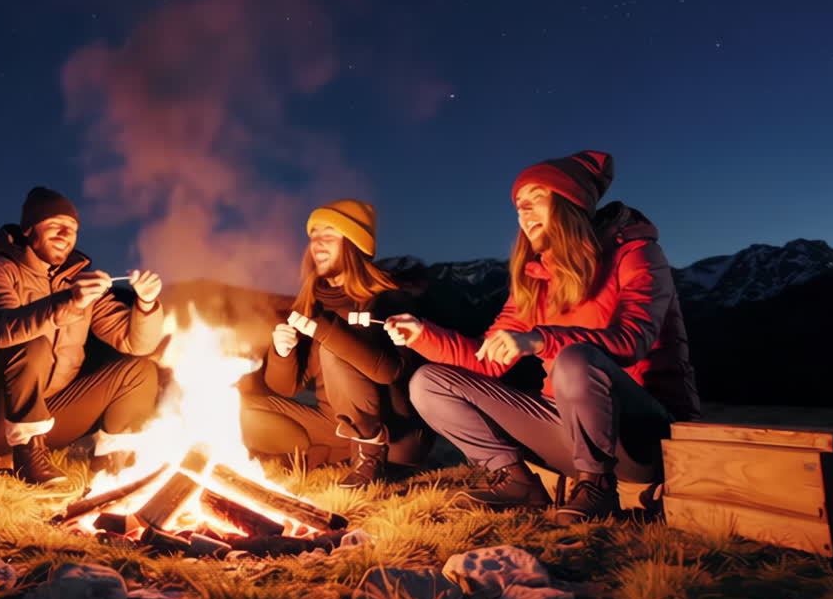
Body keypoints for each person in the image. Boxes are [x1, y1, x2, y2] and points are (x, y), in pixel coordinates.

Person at [386, 151, 699, 523]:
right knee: (429, 383)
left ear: (570, 203)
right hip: (568, 430)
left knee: (575, 359)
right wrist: (423, 334)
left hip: (644, 435)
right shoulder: (535, 278)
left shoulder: (637, 253)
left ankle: (598, 488)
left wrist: (540, 339)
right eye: (519, 204)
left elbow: (633, 340)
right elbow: (486, 360)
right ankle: (516, 482)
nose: (523, 211)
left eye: (536, 199)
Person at [0, 187, 165, 484]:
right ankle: (28, 456)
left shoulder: (76, 284)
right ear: (30, 229)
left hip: (47, 416)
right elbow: (0, 329)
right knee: (32, 344)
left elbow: (136, 344)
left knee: (138, 371)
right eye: (54, 224)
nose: (65, 233)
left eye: (72, 228)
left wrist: (146, 303)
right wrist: (69, 302)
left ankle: (113, 471)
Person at [241, 199, 430, 488]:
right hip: (335, 426)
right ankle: (319, 454)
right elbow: (286, 388)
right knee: (240, 405)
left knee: (333, 349)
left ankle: (367, 456)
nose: (317, 243)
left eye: (329, 235)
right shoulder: (313, 304)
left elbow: (391, 372)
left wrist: (326, 331)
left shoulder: (389, 298)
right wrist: (282, 352)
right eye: (314, 235)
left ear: (354, 245)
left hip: (395, 433)